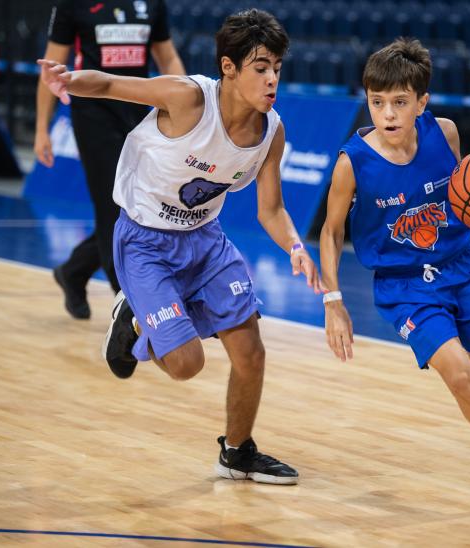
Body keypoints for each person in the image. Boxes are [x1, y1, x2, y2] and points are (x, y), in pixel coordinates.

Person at [38, 8, 325, 485]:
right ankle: (132, 317)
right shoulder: (188, 97)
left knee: (251, 351)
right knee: (187, 364)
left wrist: (295, 246)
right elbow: (110, 85)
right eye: (261, 68)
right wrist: (67, 79)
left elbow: (271, 211)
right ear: (229, 69)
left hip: (205, 242)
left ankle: (237, 453)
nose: (272, 78)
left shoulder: (271, 131)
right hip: (145, 242)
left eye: (277, 67)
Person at [318, 38, 470, 515]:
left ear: (422, 102)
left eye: (400, 101)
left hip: (461, 269)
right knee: (459, 375)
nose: (388, 113)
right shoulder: (351, 163)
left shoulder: (445, 134)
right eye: (377, 102)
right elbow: (331, 230)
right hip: (404, 287)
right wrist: (334, 302)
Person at [35, 0, 186, 319]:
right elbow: (52, 64)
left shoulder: (152, 4)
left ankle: (74, 271)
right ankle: (128, 305)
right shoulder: (72, 6)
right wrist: (41, 128)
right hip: (93, 115)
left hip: (139, 115)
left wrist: (188, 105)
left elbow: (167, 56)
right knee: (113, 207)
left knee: (137, 208)